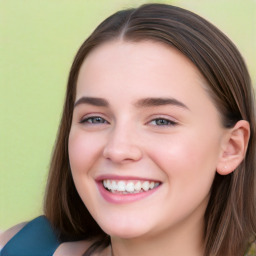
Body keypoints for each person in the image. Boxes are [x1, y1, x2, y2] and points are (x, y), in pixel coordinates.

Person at [0, 3, 255, 256]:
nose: (118, 149)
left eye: (161, 121)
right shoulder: (16, 248)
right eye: (95, 119)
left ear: (231, 148)